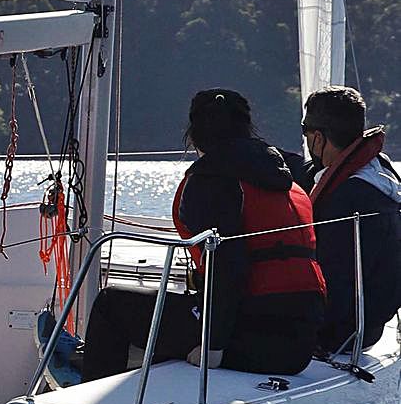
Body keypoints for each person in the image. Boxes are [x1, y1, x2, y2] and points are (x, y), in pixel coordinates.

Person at [82, 88, 325, 381]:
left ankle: (92, 393)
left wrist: (214, 344)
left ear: (194, 136)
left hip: (253, 337)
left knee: (111, 305)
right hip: (300, 338)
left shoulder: (210, 181)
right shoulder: (285, 179)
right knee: (182, 309)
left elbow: (229, 265)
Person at [298, 86, 401, 355]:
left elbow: (336, 279)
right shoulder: (381, 173)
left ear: (318, 137)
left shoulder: (347, 199)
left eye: (305, 129)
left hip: (338, 333)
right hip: (370, 327)